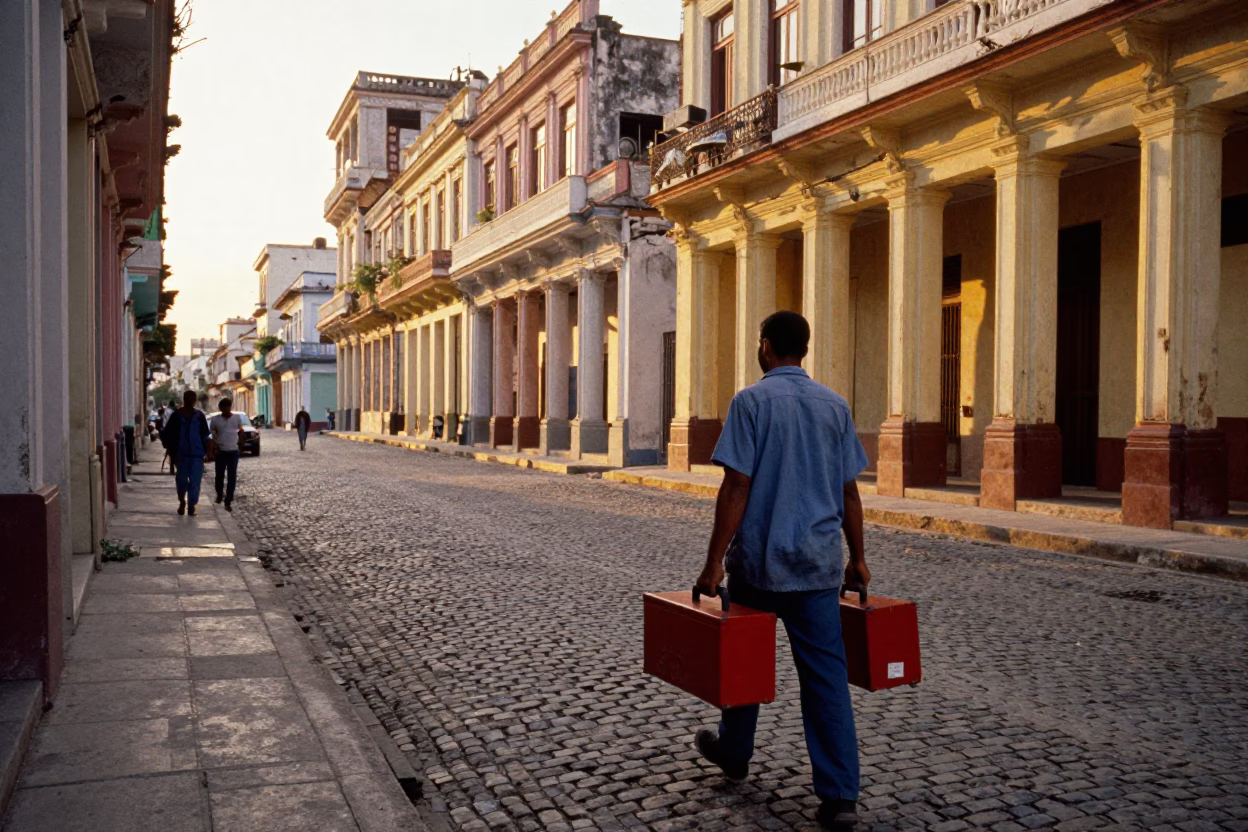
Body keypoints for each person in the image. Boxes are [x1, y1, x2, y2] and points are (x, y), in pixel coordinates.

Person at [692, 311, 870, 832]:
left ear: (765, 347)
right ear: (804, 351)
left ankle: (734, 752)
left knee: (743, 662)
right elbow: (850, 491)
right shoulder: (834, 406)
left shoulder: (750, 402)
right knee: (826, 680)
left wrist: (711, 565)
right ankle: (840, 796)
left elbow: (737, 486)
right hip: (817, 567)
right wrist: (857, 558)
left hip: (758, 565)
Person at [160, 390, 210, 516]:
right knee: (181, 481)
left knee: (195, 481)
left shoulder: (199, 416)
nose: (191, 401)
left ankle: (191, 505)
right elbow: (167, 434)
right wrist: (171, 450)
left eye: (193, 399)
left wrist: (208, 450)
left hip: (197, 454)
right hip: (181, 455)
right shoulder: (176, 415)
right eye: (189, 398)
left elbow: (205, 434)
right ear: (184, 399)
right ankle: (182, 501)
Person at [209, 397, 245, 512]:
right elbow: (212, 434)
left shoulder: (236, 418)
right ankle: (219, 494)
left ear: (230, 407)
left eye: (228, 407)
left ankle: (228, 500)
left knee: (232, 477)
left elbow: (240, 431)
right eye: (223, 407)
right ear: (220, 408)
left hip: (233, 452)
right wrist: (214, 447)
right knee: (219, 476)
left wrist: (241, 442)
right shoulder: (215, 420)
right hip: (221, 451)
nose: (226, 409)